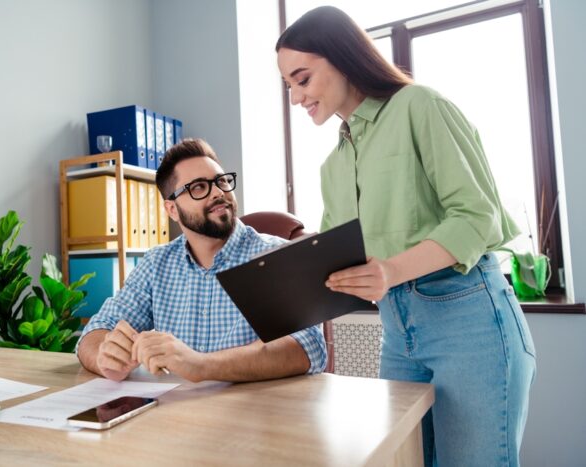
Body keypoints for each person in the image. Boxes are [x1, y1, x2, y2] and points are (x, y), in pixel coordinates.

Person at [276, 6, 536, 467]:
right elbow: (345, 256)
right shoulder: (333, 166)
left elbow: (478, 216)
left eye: (302, 78)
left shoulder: (420, 106)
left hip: (468, 319)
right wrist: (291, 273)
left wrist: (390, 269)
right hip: (398, 331)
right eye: (289, 86)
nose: (296, 97)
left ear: (340, 57)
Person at [77, 138, 327, 383]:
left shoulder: (275, 256)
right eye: (198, 187)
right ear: (172, 209)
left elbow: (307, 347)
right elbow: (94, 332)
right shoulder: (157, 264)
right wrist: (105, 356)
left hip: (258, 416)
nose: (218, 192)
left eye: (222, 181)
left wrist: (199, 365)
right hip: (181, 416)